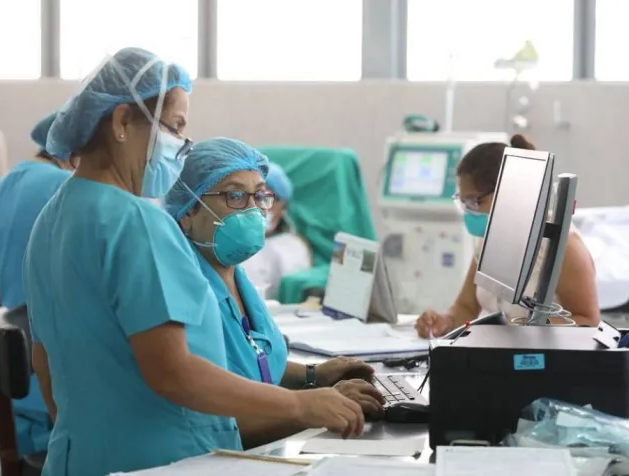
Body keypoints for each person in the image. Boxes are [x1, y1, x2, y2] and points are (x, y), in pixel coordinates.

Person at [23, 48, 364, 476]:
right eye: (174, 126)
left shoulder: (51, 218)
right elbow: (173, 372)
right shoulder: (137, 222)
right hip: (162, 462)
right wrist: (299, 405)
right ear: (122, 121)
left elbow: (45, 362)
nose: (180, 145)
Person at [164, 138, 385, 449]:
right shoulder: (180, 288)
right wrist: (308, 408)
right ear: (188, 210)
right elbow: (213, 426)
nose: (254, 209)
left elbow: (254, 362)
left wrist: (313, 375)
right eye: (235, 195)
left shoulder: (234, 275)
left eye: (260, 195)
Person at [415, 134, 599, 338]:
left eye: (474, 202)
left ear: (507, 192)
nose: (469, 211)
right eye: (463, 202)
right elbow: (466, 306)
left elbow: (587, 321)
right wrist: (445, 321)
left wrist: (524, 329)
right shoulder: (487, 239)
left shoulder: (563, 247)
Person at [0, 112, 74, 456]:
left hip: (18, 383)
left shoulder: (5, 183)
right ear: (74, 151)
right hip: (54, 381)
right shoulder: (68, 188)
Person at [240, 162, 311, 299]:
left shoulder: (291, 247)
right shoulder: (226, 244)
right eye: (243, 197)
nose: (254, 206)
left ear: (283, 206)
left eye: (263, 198)